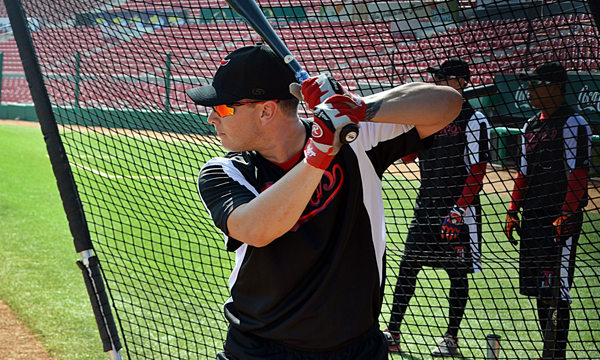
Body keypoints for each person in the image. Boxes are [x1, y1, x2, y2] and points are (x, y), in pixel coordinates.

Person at [186, 44, 463, 360]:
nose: (211, 118)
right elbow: (255, 229)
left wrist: (358, 108)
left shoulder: (356, 139)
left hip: (356, 349)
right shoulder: (225, 171)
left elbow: (448, 103)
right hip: (259, 349)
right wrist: (320, 152)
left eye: (222, 109)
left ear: (265, 110)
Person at [383, 58, 491, 357]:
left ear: (460, 82)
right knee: (407, 267)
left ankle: (451, 338)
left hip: (459, 210)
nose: (436, 81)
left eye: (442, 77)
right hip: (426, 205)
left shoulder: (474, 118)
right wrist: (407, 124)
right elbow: (408, 158)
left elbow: (477, 170)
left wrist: (457, 212)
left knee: (458, 274)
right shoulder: (430, 118)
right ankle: (393, 332)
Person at [505, 62, 592, 360]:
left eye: (535, 84)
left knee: (557, 290)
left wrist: (566, 213)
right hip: (533, 219)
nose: (529, 90)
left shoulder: (574, 123)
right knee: (541, 290)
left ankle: (556, 355)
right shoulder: (531, 125)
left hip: (559, 222)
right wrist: (512, 210)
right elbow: (522, 174)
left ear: (555, 87)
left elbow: (579, 174)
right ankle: (549, 352)